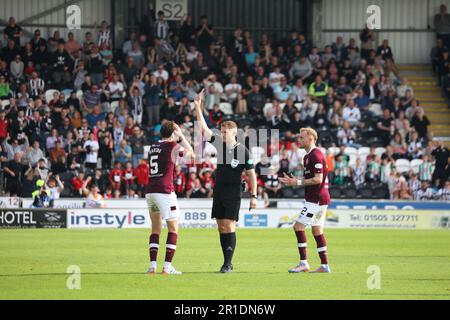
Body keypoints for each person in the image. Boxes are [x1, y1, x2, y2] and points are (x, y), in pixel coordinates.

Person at [194, 90, 258, 273]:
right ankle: (226, 261)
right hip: (219, 190)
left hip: (233, 191)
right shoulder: (219, 145)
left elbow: (251, 174)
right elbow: (204, 130)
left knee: (229, 224)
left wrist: (253, 196)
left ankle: (228, 264)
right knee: (221, 225)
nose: (222, 135)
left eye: (225, 132)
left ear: (234, 133)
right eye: (221, 132)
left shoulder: (243, 151)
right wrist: (198, 107)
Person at [279, 128, 331, 273]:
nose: (299, 140)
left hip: (316, 199)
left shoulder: (316, 155)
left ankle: (303, 263)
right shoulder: (308, 156)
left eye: (302, 137)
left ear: (311, 138)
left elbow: (318, 179)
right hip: (319, 198)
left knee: (298, 227)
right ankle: (324, 265)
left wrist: (297, 182)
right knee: (317, 230)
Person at [146, 122, 194, 275]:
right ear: (173, 132)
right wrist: (181, 136)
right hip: (165, 191)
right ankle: (167, 267)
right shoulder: (173, 145)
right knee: (173, 229)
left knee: (155, 229)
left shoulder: (153, 146)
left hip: (151, 190)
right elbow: (191, 155)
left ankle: (152, 266)